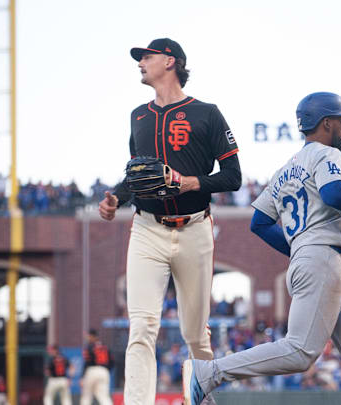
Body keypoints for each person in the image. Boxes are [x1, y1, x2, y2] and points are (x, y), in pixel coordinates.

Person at [180, 92, 341, 404]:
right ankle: (211, 372)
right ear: (326, 123)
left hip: (315, 259)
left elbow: (258, 222)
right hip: (322, 258)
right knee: (300, 351)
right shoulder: (327, 154)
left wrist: (300, 248)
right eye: (340, 121)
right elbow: (335, 194)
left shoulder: (284, 170)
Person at [98, 38, 241, 405]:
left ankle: (204, 400)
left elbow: (233, 176)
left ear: (170, 61)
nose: (140, 62)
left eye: (146, 56)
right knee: (142, 327)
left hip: (194, 227)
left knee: (196, 336)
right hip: (147, 228)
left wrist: (190, 181)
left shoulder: (206, 113)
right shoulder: (138, 115)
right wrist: (116, 196)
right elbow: (139, 174)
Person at [80, 329, 113, 405]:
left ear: (92, 336)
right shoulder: (105, 346)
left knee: (86, 396)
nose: (87, 338)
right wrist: (106, 370)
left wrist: (82, 376)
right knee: (104, 397)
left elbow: (87, 362)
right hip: (104, 371)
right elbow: (112, 362)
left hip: (92, 370)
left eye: (88, 336)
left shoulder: (89, 346)